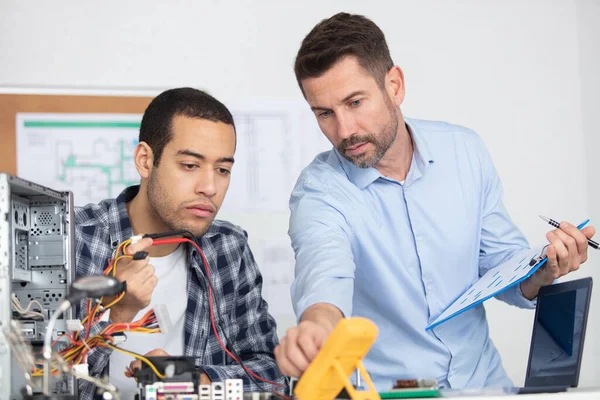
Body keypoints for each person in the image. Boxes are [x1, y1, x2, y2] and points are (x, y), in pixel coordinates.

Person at [274, 12, 596, 390]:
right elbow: (324, 278)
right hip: (394, 397)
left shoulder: (464, 151)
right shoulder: (319, 191)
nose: (344, 131)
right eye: (325, 113)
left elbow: (502, 266)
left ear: (394, 85)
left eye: (355, 102)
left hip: (486, 388)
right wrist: (316, 329)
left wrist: (543, 270)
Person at [74, 88, 285, 400]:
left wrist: (191, 380)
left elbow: (273, 378)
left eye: (223, 170)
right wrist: (115, 316)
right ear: (145, 160)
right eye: (190, 165)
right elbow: (37, 381)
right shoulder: (76, 239)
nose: (210, 187)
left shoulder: (228, 249)